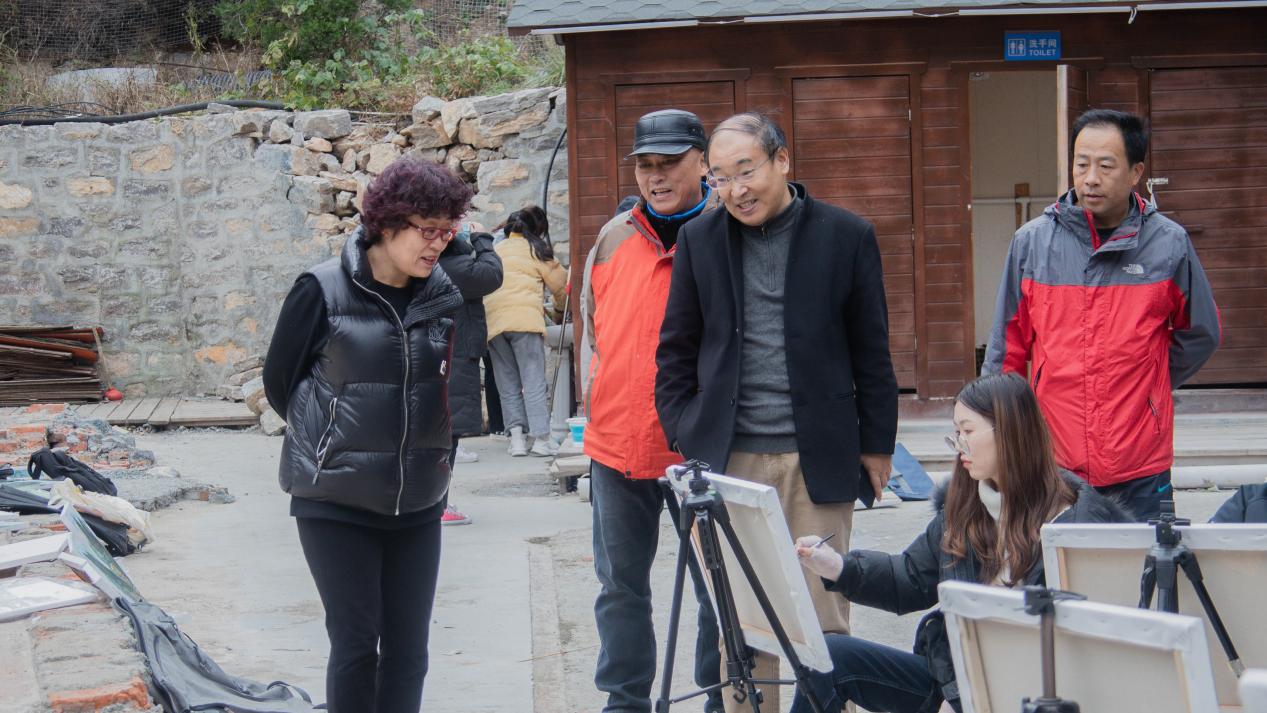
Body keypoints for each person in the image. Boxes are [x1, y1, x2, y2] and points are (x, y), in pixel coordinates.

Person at [656, 112, 899, 712]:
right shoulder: (700, 239)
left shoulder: (846, 235)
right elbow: (677, 348)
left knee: (822, 622)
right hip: (729, 459)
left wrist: (877, 445)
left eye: (747, 171)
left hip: (817, 458)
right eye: (720, 178)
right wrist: (686, 432)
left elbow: (871, 350)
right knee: (741, 625)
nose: (735, 190)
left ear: (782, 161)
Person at [790, 373, 1133, 713]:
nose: (959, 445)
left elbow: (1093, 650)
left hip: (1039, 691)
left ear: (1011, 432)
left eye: (968, 432)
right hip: (959, 680)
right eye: (956, 433)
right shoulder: (966, 506)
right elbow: (909, 578)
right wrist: (838, 567)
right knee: (829, 657)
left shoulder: (1078, 524)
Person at [262, 158, 469, 712]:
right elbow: (281, 383)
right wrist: (332, 440)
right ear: (388, 224)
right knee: (356, 647)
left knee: (409, 653)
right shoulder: (321, 290)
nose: (439, 244)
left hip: (418, 500)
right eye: (428, 231)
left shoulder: (441, 297)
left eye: (448, 232)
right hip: (336, 499)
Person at [982, 109, 1221, 523]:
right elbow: (1007, 348)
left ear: (1136, 172)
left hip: (1140, 461)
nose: (1090, 178)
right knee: (1056, 563)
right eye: (1082, 164)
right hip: (1054, 457)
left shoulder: (1169, 244)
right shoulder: (1031, 244)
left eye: (1106, 166)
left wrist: (1149, 384)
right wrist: (998, 432)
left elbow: (1201, 332)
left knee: (1144, 562)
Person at [582, 108, 722, 713]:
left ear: (703, 163)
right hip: (615, 445)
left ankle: (722, 694)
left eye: (670, 163)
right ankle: (624, 700)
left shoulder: (730, 232)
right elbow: (595, 331)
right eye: (645, 165)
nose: (656, 176)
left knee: (719, 587)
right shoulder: (614, 237)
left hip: (700, 448)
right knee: (619, 587)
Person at [483, 205, 568, 457]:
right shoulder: (537, 250)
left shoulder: (496, 249)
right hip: (525, 322)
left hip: (495, 322)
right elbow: (561, 286)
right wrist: (559, 312)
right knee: (533, 381)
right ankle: (541, 440)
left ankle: (517, 440)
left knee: (507, 382)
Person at [437, 219, 503, 525]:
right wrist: (482, 238)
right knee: (445, 436)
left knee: (446, 435)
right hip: (456, 350)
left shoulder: (445, 262)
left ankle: (437, 502)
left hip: (454, 348)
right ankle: (437, 504)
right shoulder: (453, 266)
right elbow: (491, 274)